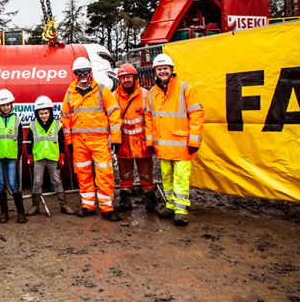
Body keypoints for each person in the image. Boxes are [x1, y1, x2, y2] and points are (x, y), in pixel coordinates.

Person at [145, 53, 204, 226]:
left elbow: (197, 115)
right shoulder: (152, 93)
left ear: (171, 70)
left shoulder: (185, 89)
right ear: (155, 71)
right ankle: (170, 204)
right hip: (163, 145)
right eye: (159, 69)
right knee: (167, 177)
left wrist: (194, 141)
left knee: (181, 178)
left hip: (182, 145)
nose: (162, 72)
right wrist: (150, 142)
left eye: (165, 68)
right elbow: (149, 118)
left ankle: (180, 210)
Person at [61, 57, 123, 222]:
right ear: (75, 74)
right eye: (79, 73)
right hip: (79, 142)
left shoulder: (102, 91)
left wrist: (116, 139)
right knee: (83, 174)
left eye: (85, 72)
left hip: (99, 141)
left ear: (90, 73)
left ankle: (107, 208)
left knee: (104, 174)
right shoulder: (70, 93)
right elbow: (65, 119)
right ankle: (88, 205)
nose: (82, 75)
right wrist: (69, 142)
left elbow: (114, 115)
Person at [113, 63, 157, 213]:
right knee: (124, 173)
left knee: (146, 173)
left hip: (142, 141)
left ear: (135, 78)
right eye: (123, 78)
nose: (126, 80)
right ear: (119, 79)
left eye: (128, 77)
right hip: (124, 142)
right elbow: (113, 121)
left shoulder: (145, 95)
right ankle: (125, 201)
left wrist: (151, 141)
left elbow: (151, 119)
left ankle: (151, 201)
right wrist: (115, 141)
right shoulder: (114, 97)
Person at [25, 95, 75, 217]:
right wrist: (30, 156)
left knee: (57, 181)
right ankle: (35, 206)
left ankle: (63, 205)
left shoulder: (57, 125)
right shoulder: (33, 125)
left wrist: (62, 156)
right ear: (37, 113)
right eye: (41, 113)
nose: (44, 115)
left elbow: (61, 141)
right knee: (37, 182)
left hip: (53, 158)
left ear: (50, 112)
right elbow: (29, 142)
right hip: (39, 158)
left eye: (46, 113)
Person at [0, 88, 27, 224]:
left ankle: (21, 213)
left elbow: (20, 139)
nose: (6, 107)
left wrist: (18, 154)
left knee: (13, 184)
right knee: (0, 184)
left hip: (11, 157)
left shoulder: (16, 119)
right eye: (3, 105)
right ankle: (4, 213)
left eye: (8, 104)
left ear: (11, 105)